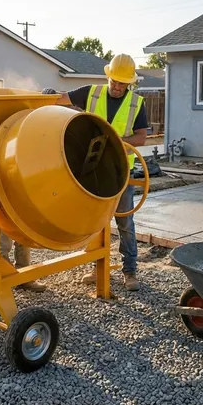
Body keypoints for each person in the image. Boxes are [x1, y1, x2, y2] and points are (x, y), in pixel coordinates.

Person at [42, 53, 148, 291]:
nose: (118, 87)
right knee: (96, 221)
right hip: (92, 169)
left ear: (130, 83)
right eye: (115, 81)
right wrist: (48, 95)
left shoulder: (137, 103)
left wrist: (118, 141)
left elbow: (141, 137)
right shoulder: (91, 92)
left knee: (125, 223)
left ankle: (129, 271)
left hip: (121, 173)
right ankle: (96, 267)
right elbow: (61, 100)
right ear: (108, 76)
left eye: (124, 83)